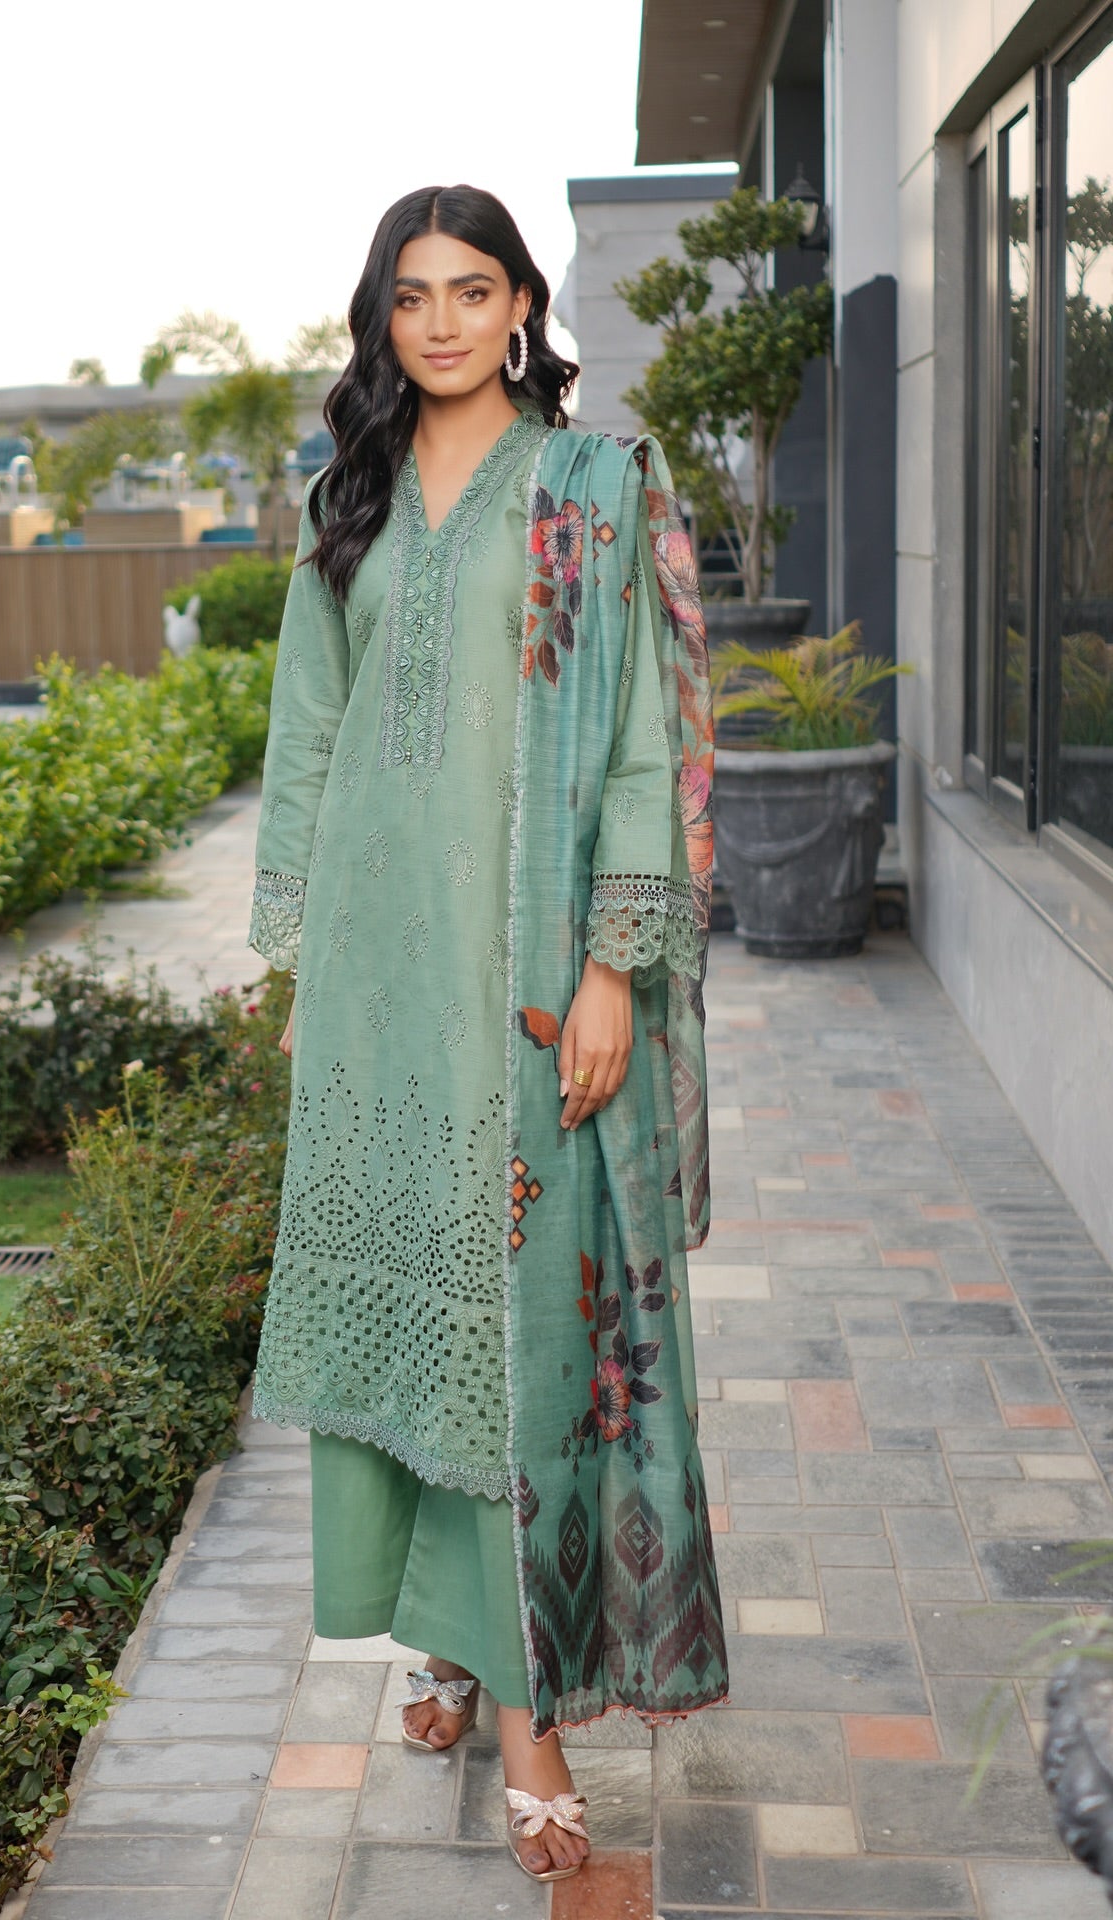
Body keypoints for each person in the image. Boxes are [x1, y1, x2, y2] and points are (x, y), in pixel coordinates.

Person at [247, 183, 727, 1884]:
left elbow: (643, 734)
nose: (442, 322)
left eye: (473, 290)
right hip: (377, 985)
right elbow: (309, 737)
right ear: (382, 318)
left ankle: (530, 1712)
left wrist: (614, 965)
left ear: (524, 304)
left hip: (524, 982)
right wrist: (300, 970)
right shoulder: (350, 499)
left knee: (518, 1328)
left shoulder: (595, 485)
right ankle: (452, 1640)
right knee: (411, 1320)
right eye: (412, 296)